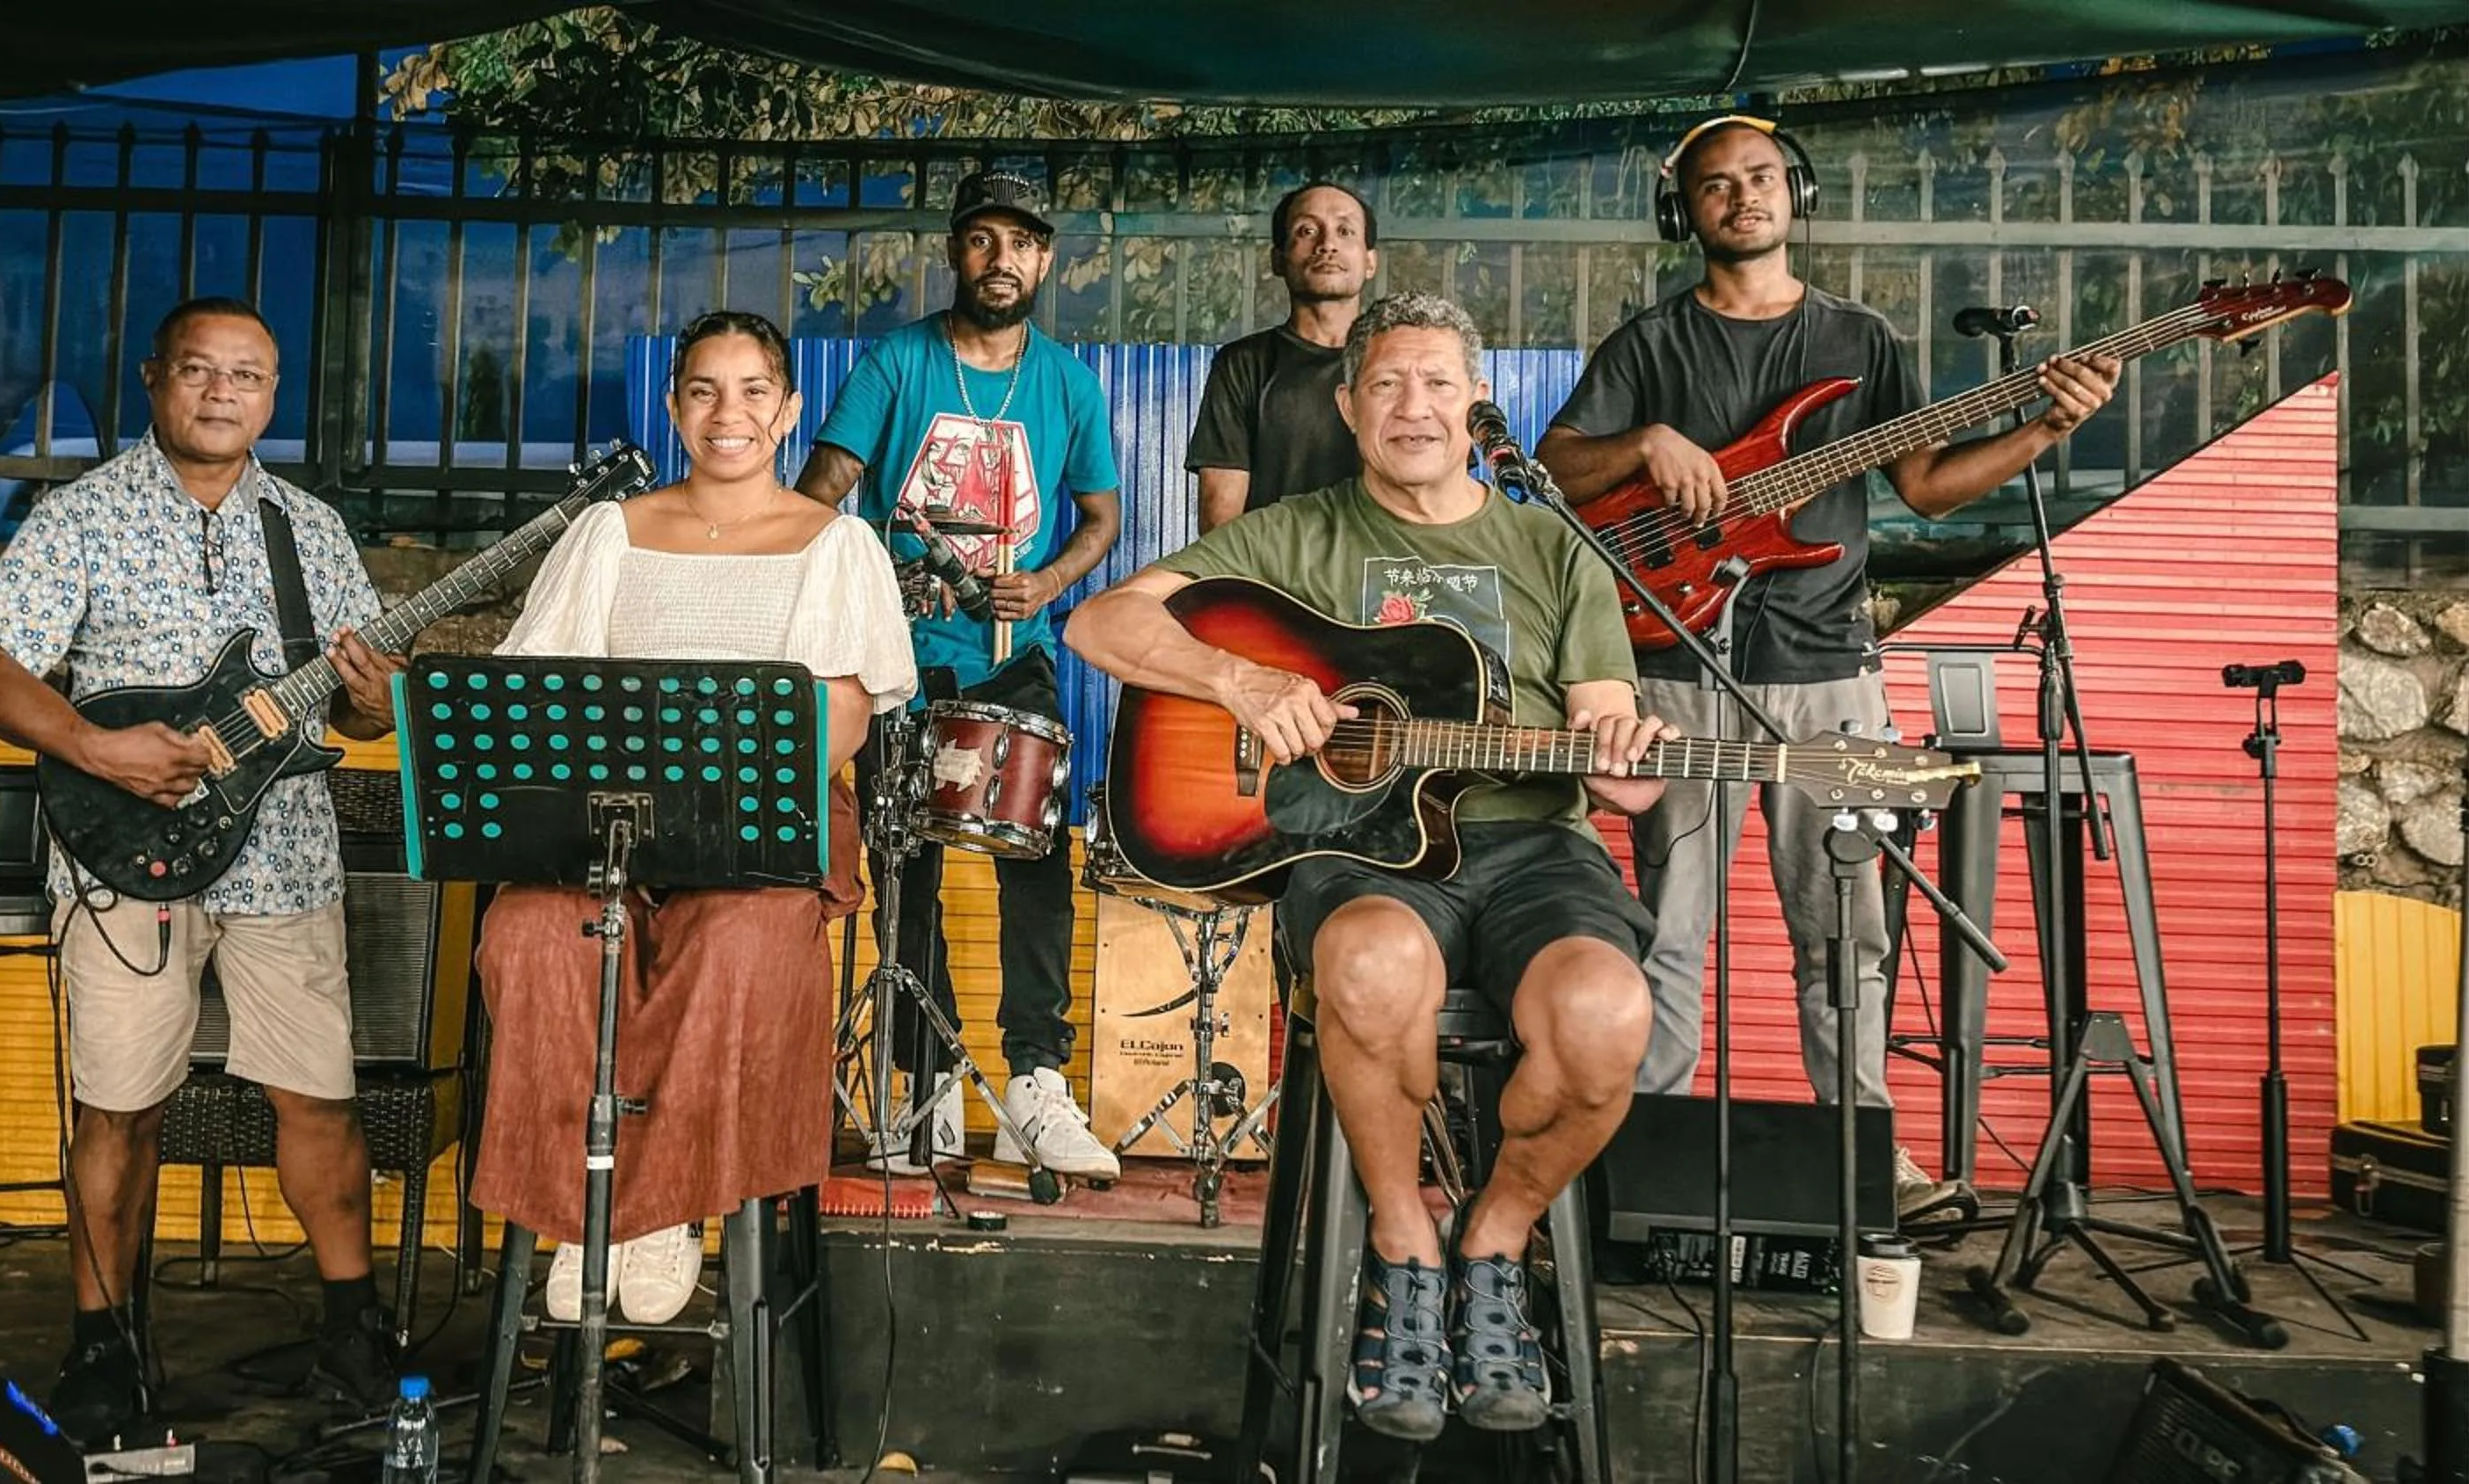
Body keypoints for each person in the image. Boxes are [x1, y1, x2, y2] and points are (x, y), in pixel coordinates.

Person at [1067, 292, 1670, 1442]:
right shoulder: (1299, 534)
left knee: (1603, 1014)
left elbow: (1616, 753)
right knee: (1374, 964)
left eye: (1438, 383)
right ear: (1347, 408)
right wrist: (1238, 683)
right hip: (1363, 853)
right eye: (1386, 383)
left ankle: (1494, 1243)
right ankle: (1405, 1245)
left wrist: (1631, 754)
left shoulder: (1554, 546)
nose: (1414, 406)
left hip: (1535, 845)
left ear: (1476, 401)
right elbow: (1101, 628)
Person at [1534, 115, 2122, 1219]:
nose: (1742, 198)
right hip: (1674, 661)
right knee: (1671, 919)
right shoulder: (1649, 344)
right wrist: (1647, 443)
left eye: (1759, 178)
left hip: (1833, 666)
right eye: (1716, 186)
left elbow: (1929, 486)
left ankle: (1862, 1152)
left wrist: (2046, 430)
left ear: (1793, 193)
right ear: (1685, 212)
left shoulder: (1862, 339)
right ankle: (1642, 1150)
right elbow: (1557, 465)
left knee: (1848, 921)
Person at [0, 296, 408, 1437]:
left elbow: (366, 717)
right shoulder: (80, 516)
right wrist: (92, 744)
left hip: (286, 859)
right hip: (124, 853)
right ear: (157, 380)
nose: (220, 393)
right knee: (119, 1106)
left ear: (272, 395)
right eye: (199, 371)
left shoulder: (308, 527)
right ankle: (105, 1344)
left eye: (246, 376)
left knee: (320, 1097)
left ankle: (353, 1329)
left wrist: (372, 697)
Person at [476, 309, 916, 1323]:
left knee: (736, 942)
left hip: (763, 835)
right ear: (674, 408)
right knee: (532, 932)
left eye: (755, 389)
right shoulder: (610, 535)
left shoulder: (836, 545)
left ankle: (656, 1204)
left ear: (791, 409)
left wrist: (713, 813)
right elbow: (539, 693)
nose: (730, 412)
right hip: (609, 830)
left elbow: (843, 714)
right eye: (704, 390)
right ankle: (583, 1203)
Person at [796, 170, 1123, 1182]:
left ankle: (1035, 1080)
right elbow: (821, 492)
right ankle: (923, 1080)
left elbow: (1101, 517)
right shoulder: (896, 361)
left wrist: (1051, 580)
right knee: (905, 873)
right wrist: (847, 577)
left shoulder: (1067, 381)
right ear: (954, 253)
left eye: (1020, 242)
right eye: (981, 240)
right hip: (899, 668)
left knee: (1034, 868)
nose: (1001, 260)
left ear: (1045, 260)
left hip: (1011, 660)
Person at [1184, 180, 1379, 530]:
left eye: (1345, 230)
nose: (1327, 244)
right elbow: (1219, 524)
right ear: (1278, 258)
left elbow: (1436, 499)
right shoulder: (1242, 366)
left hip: (1384, 581)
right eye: (1306, 230)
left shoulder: (1407, 365)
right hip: (1271, 580)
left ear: (1370, 261)